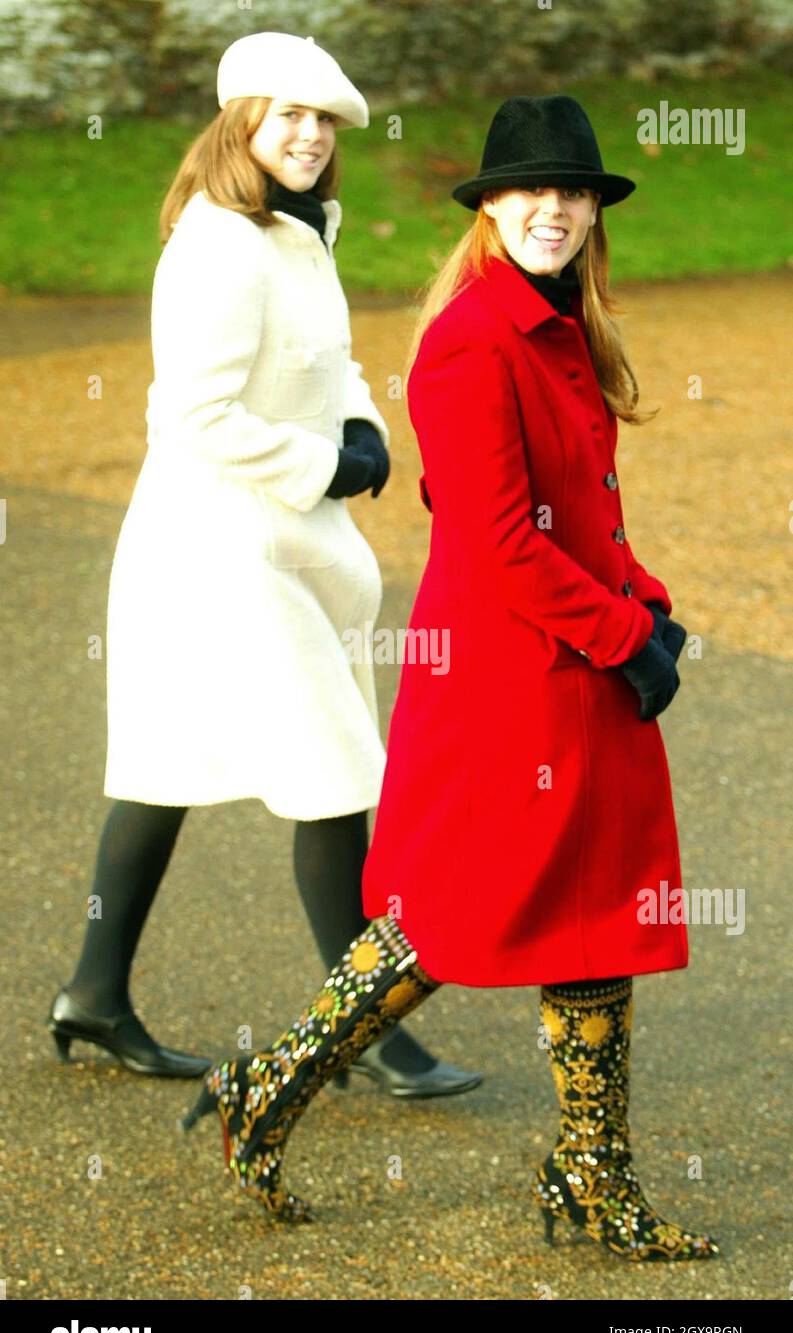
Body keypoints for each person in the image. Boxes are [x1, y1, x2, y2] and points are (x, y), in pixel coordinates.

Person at [181, 94, 720, 1262]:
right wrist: (624, 636)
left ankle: (590, 1177)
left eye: (572, 190)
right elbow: (498, 543)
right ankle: (265, 1087)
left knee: (596, 919)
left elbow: (577, 513)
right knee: (450, 912)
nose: (553, 207)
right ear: (488, 208)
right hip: (516, 678)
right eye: (528, 189)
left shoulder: (561, 323)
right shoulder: (472, 339)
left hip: (576, 660)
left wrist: (647, 604)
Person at [46, 32, 481, 1100]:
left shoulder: (295, 230)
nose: (308, 135)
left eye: (324, 121)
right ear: (239, 118)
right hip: (222, 543)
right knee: (334, 773)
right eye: (288, 114)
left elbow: (318, 365)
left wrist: (361, 422)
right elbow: (188, 415)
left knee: (163, 766)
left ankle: (94, 996)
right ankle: (366, 1029)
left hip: (267, 536)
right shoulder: (222, 244)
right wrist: (327, 462)